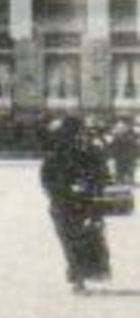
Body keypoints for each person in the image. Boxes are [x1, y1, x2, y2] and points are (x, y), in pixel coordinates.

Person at [41, 116, 111, 294]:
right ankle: (80, 275)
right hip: (72, 204)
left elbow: (103, 176)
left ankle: (82, 274)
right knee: (77, 240)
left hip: (74, 204)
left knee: (75, 240)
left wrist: (88, 186)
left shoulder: (84, 152)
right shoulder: (65, 153)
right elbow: (48, 180)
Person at [106, 118, 138, 185]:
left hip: (129, 157)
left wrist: (135, 155)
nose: (121, 129)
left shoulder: (131, 135)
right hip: (120, 157)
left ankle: (130, 181)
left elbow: (135, 146)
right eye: (120, 127)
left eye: (123, 127)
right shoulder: (116, 136)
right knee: (120, 170)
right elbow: (113, 146)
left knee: (130, 170)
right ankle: (120, 181)